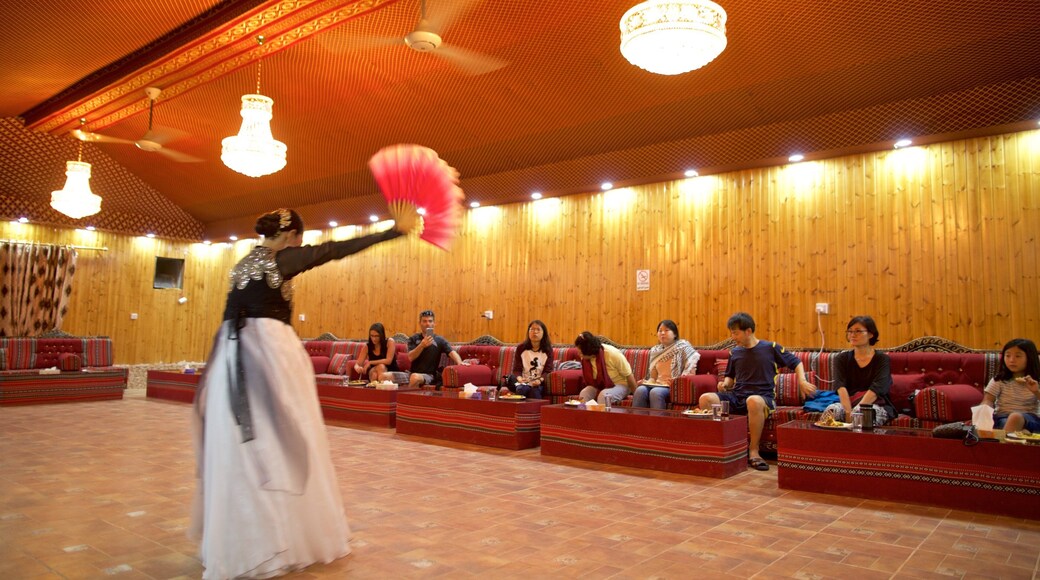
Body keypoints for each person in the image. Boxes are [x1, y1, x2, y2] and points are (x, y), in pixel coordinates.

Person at [191, 208, 413, 579]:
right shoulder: (282, 259)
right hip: (269, 354)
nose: (302, 244)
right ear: (291, 234)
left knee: (241, 445)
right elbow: (334, 250)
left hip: (231, 356)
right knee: (284, 438)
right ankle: (278, 535)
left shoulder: (243, 263)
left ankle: (242, 537)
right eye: (299, 237)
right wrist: (394, 231)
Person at [699, 312, 815, 471]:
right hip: (737, 396)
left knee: (753, 400)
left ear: (748, 331)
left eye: (735, 332)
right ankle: (724, 447)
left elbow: (796, 362)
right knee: (706, 399)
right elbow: (730, 377)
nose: (733, 337)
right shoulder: (735, 352)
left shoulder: (770, 348)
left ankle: (754, 451)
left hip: (763, 398)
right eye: (731, 333)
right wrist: (724, 385)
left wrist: (802, 381)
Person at [820, 316, 896, 426]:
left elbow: (877, 389)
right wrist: (848, 412)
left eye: (858, 331)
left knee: (861, 416)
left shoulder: (882, 359)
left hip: (874, 404)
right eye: (850, 331)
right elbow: (840, 386)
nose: (853, 335)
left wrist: (856, 412)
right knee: (831, 410)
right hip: (848, 403)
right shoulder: (841, 358)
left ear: (871, 334)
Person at [632, 320, 700, 409]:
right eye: (660, 331)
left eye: (666, 330)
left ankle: (658, 423)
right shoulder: (655, 351)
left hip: (674, 386)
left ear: (675, 334)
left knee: (655, 392)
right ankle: (637, 422)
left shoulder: (684, 348)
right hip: (658, 384)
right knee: (640, 390)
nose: (662, 333)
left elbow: (691, 373)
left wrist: (677, 381)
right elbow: (653, 377)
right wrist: (646, 382)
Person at [981, 338, 1040, 434]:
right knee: (1015, 425)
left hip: (1031, 420)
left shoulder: (1036, 381)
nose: (1011, 360)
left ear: (1030, 358)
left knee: (1015, 417)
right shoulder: (999, 380)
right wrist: (984, 409)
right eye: (1007, 356)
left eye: (1018, 356)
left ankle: (1005, 446)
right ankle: (1022, 434)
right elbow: (988, 400)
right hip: (1002, 418)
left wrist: (1036, 392)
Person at [575, 331, 637, 405]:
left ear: (590, 352)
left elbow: (629, 375)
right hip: (599, 385)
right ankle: (586, 416)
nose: (579, 355)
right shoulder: (586, 358)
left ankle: (601, 417)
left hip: (621, 384)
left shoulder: (612, 354)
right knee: (584, 393)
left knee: (604, 395)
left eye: (581, 353)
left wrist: (636, 397)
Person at [407, 309, 463, 388]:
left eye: (430, 321)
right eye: (424, 321)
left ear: (434, 323)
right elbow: (410, 357)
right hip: (411, 372)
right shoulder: (413, 338)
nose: (427, 324)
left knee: (415, 378)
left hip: (429, 375)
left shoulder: (439, 340)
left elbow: (452, 352)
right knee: (385, 376)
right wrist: (421, 345)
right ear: (420, 323)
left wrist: (460, 363)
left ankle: (407, 400)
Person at [499, 319, 554, 399]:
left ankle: (536, 411)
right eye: (532, 329)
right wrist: (519, 378)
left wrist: (539, 380)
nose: (535, 332)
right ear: (528, 332)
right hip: (524, 382)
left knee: (534, 391)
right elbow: (517, 369)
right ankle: (519, 411)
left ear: (543, 333)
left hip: (539, 382)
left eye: (538, 330)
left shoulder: (548, 350)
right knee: (521, 389)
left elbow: (548, 371)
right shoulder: (521, 348)